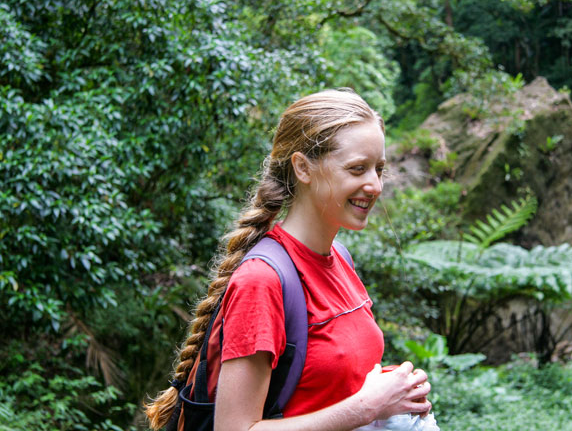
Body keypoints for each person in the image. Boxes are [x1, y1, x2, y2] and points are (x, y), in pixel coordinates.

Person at [146, 89, 432, 431]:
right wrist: (367, 406)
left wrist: (391, 393)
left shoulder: (339, 258)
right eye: (357, 169)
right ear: (302, 168)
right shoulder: (262, 281)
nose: (374, 185)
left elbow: (324, 386)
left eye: (378, 169)